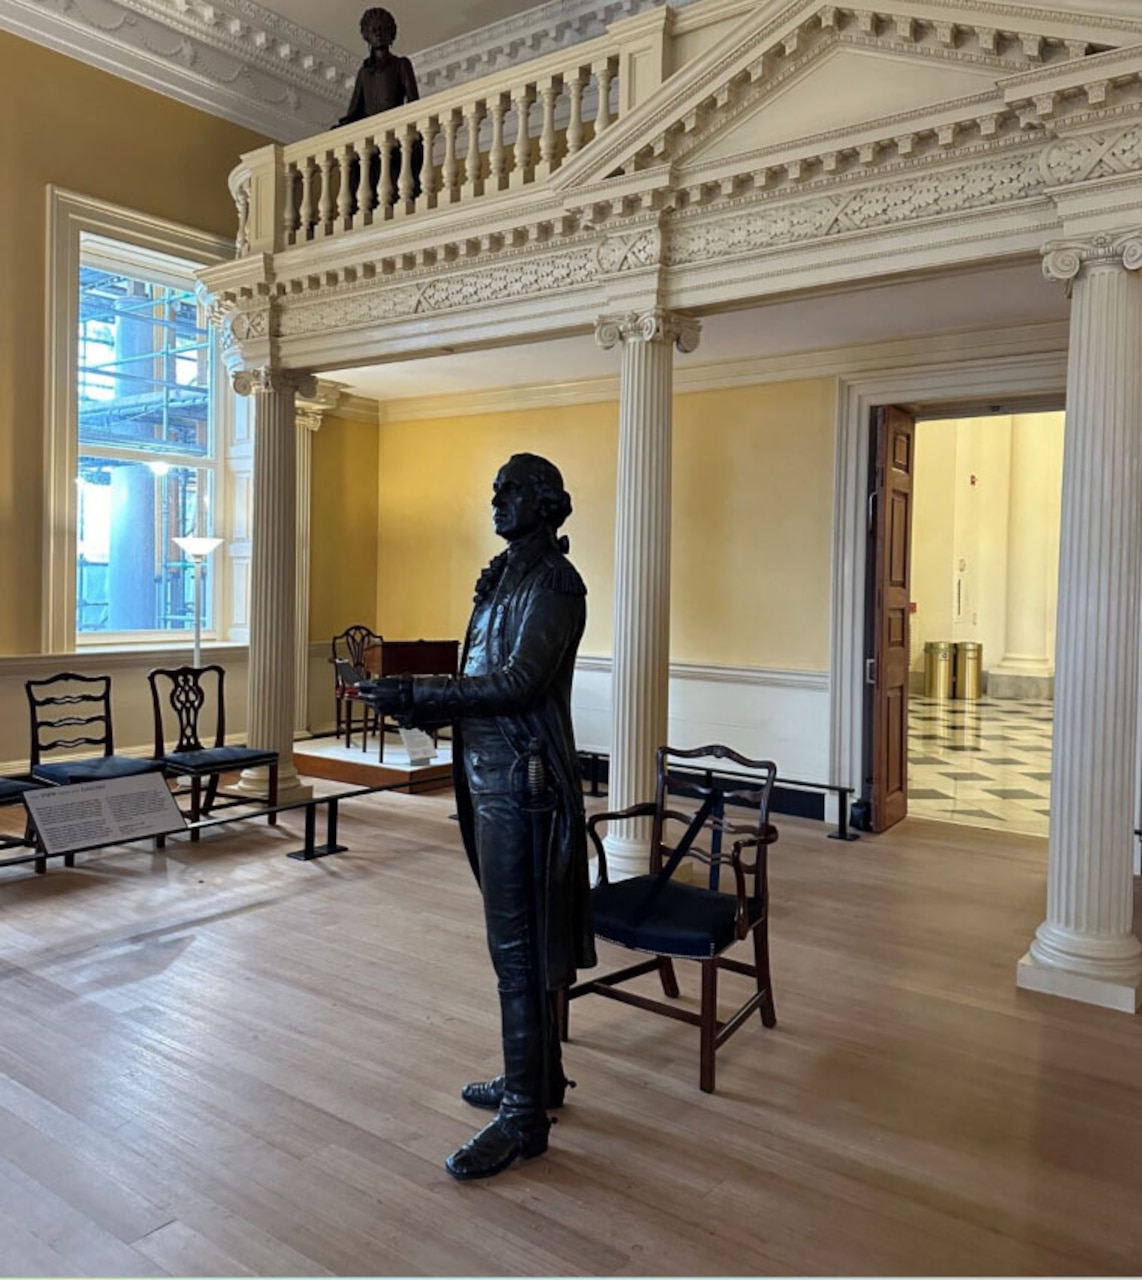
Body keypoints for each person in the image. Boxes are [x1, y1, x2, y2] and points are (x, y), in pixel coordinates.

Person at [360, 454, 595, 1181]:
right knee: (513, 940)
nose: (496, 499)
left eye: (512, 489)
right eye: (494, 489)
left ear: (547, 502)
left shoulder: (555, 581)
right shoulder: (506, 576)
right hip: (491, 776)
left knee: (516, 947)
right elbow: (484, 674)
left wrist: (421, 694)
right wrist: (416, 696)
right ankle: (539, 1079)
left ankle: (525, 1115)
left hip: (522, 783)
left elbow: (521, 682)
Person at [339, 7, 419, 125]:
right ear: (367, 35)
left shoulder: (401, 64)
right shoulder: (364, 72)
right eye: (374, 29)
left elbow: (414, 104)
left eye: (382, 28)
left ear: (390, 33)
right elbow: (354, 112)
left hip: (394, 127)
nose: (378, 33)